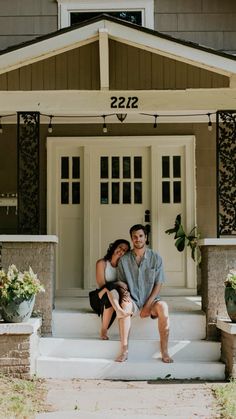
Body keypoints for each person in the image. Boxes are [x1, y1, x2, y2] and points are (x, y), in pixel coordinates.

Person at [113, 224, 173, 363]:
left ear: (146, 237)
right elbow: (122, 283)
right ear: (131, 239)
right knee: (125, 307)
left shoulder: (156, 258)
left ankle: (164, 352)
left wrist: (148, 305)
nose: (138, 239)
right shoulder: (124, 260)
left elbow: (158, 283)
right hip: (133, 299)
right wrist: (125, 298)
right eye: (134, 237)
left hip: (151, 300)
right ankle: (124, 350)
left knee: (163, 307)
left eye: (140, 236)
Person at [90, 239, 132, 340]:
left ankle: (105, 328)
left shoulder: (123, 267)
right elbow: (102, 285)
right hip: (99, 297)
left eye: (125, 250)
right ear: (114, 247)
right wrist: (118, 283)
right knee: (109, 289)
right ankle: (106, 327)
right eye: (120, 247)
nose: (121, 251)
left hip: (114, 298)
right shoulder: (102, 263)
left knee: (112, 294)